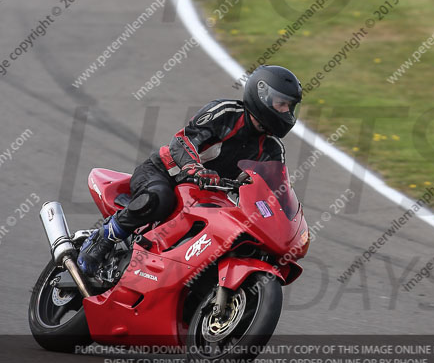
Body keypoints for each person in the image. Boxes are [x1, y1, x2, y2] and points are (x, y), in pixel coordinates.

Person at [77, 65, 302, 276]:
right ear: (261, 96)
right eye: (281, 103)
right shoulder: (226, 113)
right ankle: (103, 238)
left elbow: (277, 190)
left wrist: (289, 224)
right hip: (165, 174)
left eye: (289, 107)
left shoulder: (273, 149)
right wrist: (194, 168)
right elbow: (183, 140)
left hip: (209, 198)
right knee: (158, 198)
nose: (286, 111)